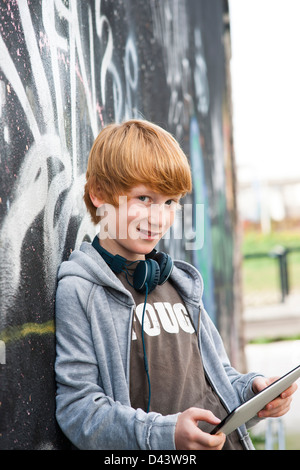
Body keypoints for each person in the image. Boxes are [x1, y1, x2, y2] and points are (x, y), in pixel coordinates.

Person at [55, 119, 297, 450]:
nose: (158, 218)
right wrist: (165, 435)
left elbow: (218, 379)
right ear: (98, 193)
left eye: (170, 202)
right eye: (143, 198)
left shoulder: (180, 284)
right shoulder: (80, 290)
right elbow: (78, 410)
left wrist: (253, 393)